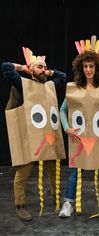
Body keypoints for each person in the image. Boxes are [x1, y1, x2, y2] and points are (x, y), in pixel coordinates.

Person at [59, 36, 99, 218]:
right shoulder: (74, 88)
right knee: (75, 170)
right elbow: (62, 110)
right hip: (79, 137)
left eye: (91, 66)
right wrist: (66, 127)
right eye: (85, 66)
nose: (88, 70)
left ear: (97, 67)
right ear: (81, 67)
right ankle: (68, 204)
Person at [2, 48, 66, 221]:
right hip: (30, 138)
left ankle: (56, 197)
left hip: (48, 137)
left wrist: (50, 71)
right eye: (40, 67)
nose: (44, 70)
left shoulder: (50, 86)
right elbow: (6, 67)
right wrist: (24, 68)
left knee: (53, 169)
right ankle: (20, 205)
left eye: (45, 68)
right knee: (23, 172)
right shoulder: (22, 83)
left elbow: (63, 76)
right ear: (32, 70)